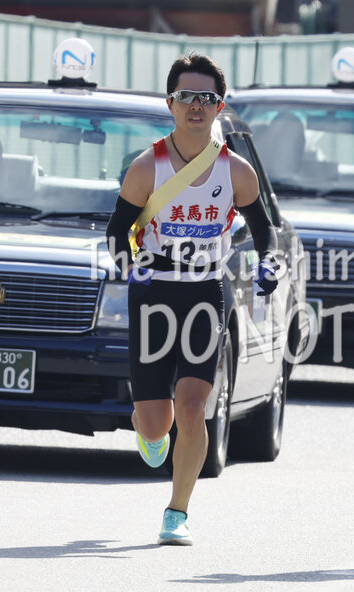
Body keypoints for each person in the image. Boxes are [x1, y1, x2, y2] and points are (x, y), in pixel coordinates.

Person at [106, 53, 278, 546]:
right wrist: (128, 266)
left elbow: (264, 232)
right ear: (171, 104)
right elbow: (117, 231)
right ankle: (145, 424)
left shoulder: (237, 172)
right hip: (154, 294)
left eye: (206, 98)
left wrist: (268, 264)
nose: (196, 106)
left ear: (219, 106)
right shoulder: (147, 167)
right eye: (187, 97)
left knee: (193, 405)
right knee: (156, 424)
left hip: (205, 292)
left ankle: (177, 511)